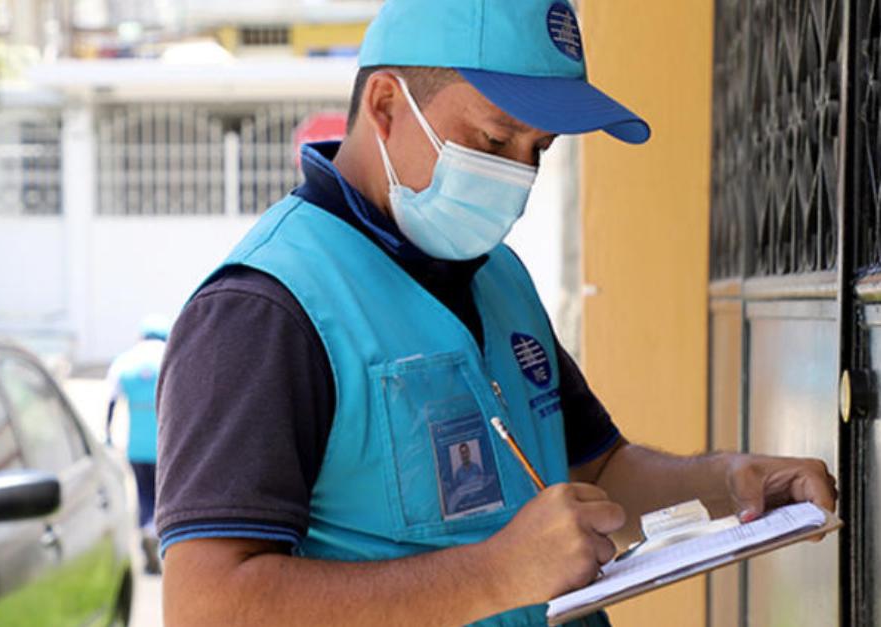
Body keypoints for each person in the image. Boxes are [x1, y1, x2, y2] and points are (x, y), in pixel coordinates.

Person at [156, 1, 838, 625]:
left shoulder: (495, 274)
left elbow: (594, 475)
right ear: (387, 104)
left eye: (538, 150)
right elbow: (208, 605)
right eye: (493, 139)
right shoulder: (263, 310)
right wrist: (492, 574)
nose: (519, 176)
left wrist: (728, 484)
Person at [107, 313, 169, 575]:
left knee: (143, 494)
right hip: (166, 445)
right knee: (163, 498)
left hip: (136, 445)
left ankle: (146, 528)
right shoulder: (170, 355)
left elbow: (111, 399)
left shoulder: (126, 360)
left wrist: (108, 433)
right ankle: (158, 533)